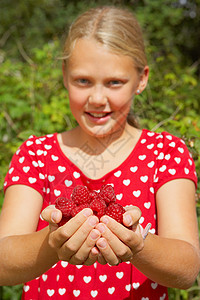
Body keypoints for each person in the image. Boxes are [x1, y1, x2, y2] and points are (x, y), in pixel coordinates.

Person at [0, 5, 199, 300]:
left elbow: (187, 268)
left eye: (114, 83)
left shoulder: (166, 153)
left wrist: (140, 243)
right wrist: (54, 241)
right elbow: (4, 263)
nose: (96, 98)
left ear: (141, 79)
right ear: (65, 76)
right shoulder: (36, 155)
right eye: (83, 81)